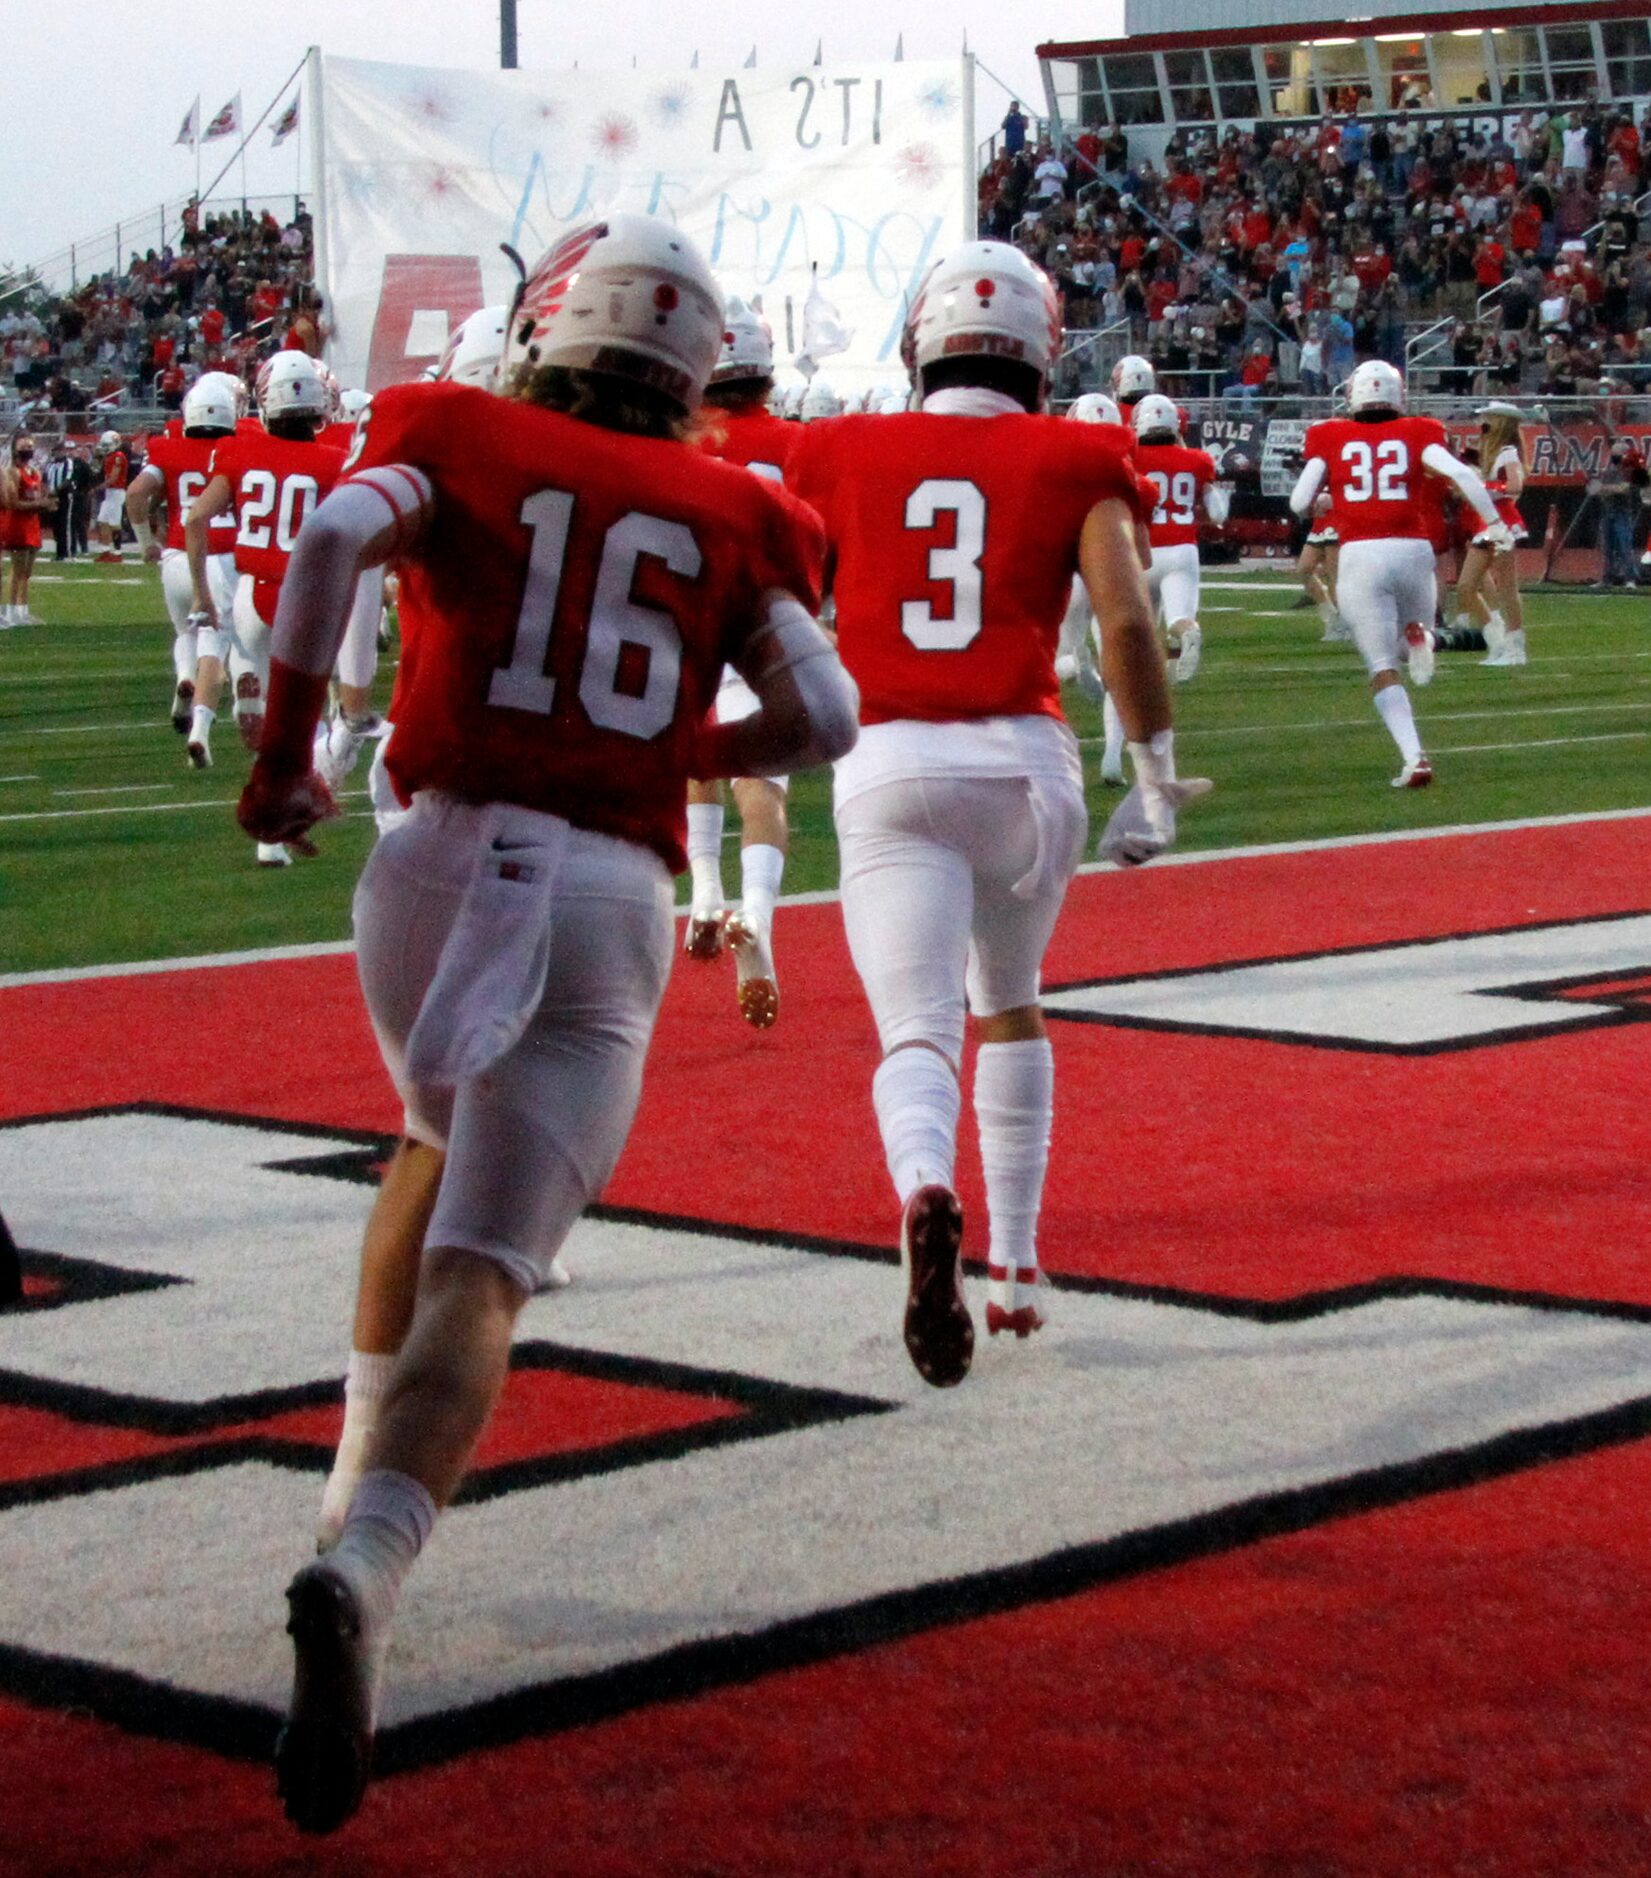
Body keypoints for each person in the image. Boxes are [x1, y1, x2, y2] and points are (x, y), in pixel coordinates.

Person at [250, 214, 857, 1836]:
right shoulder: (739, 503)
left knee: (426, 1143)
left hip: (427, 860)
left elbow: (324, 552)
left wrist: (284, 751)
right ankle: (365, 1566)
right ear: (691, 369)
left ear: (558, 329)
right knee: (489, 1261)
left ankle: (338, 1493)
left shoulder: (450, 427)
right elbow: (829, 715)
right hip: (595, 883)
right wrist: (685, 734)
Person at [787, 239, 1208, 1389]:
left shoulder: (834, 445)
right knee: (1010, 1006)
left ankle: (927, 1188)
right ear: (1042, 348)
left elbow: (768, 587)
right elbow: (1125, 624)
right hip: (1026, 769)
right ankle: (1017, 1267)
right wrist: (1156, 776)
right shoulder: (1080, 450)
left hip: (888, 760)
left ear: (919, 341)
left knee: (915, 1032)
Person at [1290, 359, 1506, 789]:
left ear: (1353, 395)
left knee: (1381, 664)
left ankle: (1414, 757)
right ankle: (1424, 636)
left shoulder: (1329, 434)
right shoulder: (1418, 430)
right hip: (1413, 550)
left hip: (1360, 555)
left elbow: (1298, 502)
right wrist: (1494, 523)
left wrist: (1328, 501)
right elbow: (1462, 473)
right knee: (1412, 640)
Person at [685, 296, 800, 1026]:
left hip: (688, 624)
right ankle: (753, 911)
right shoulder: (801, 444)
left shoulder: (674, 440)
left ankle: (701, 890)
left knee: (697, 761)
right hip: (770, 627)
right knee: (761, 789)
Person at [183, 351, 346, 812]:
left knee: (249, 656)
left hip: (251, 591)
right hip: (307, 591)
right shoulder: (334, 461)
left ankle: (246, 689)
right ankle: (287, 816)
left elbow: (196, 519)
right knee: (304, 713)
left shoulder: (240, 450)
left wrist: (200, 591)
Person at [125, 375, 242, 730]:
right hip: (225, 555)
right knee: (216, 638)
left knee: (184, 633)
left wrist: (147, 543)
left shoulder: (167, 447)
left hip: (178, 554)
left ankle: (183, 677)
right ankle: (207, 710)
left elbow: (134, 494)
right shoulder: (241, 448)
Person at [1131, 393, 1229, 683]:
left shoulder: (1131, 458)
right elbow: (1218, 513)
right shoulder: (1196, 460)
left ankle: (1157, 678)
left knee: (1144, 627)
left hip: (1143, 550)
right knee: (1178, 620)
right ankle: (1186, 637)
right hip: (1183, 549)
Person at [1452, 401, 1530, 664]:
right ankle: (1496, 640)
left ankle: (1516, 646)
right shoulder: (1490, 450)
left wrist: (1482, 485)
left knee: (1507, 587)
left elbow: (1515, 485)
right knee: (1465, 586)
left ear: (1499, 422)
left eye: (1488, 418)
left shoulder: (1508, 451)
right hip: (1487, 522)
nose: (1482, 422)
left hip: (1503, 521)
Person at [0, 436, 52, 626]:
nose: (28, 450)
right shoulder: (13, 472)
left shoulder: (34, 472)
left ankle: (22, 611)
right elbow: (12, 503)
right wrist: (39, 504)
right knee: (17, 569)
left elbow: (36, 496)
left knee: (27, 572)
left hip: (32, 523)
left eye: (30, 446)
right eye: (24, 447)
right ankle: (11, 611)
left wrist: (45, 504)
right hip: (18, 524)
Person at [92, 429, 128, 561]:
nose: (104, 448)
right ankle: (106, 551)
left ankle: (118, 553)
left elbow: (113, 479)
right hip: (110, 493)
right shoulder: (110, 457)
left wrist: (97, 488)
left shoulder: (118, 456)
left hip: (116, 492)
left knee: (114, 524)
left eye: (106, 445)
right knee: (103, 521)